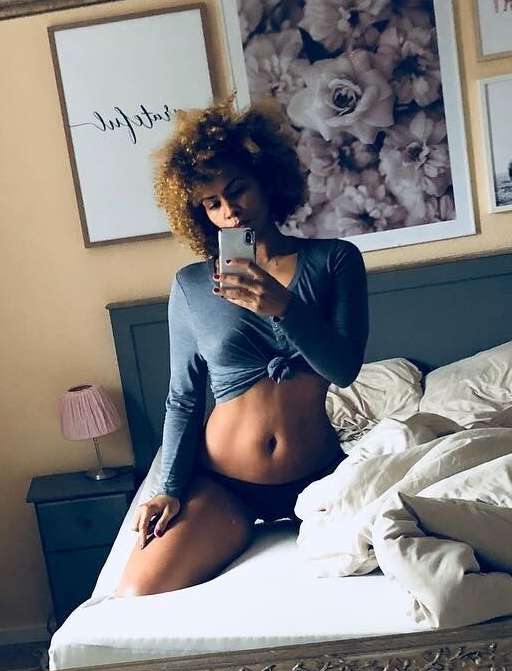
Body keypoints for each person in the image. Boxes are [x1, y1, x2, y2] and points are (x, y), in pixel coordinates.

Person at [115, 98, 369, 597]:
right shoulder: (191, 285)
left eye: (237, 191)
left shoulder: (336, 261)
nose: (229, 212)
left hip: (318, 477)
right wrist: (168, 488)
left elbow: (343, 369)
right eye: (212, 204)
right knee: (139, 590)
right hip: (224, 485)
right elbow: (183, 398)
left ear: (267, 181)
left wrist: (284, 307)